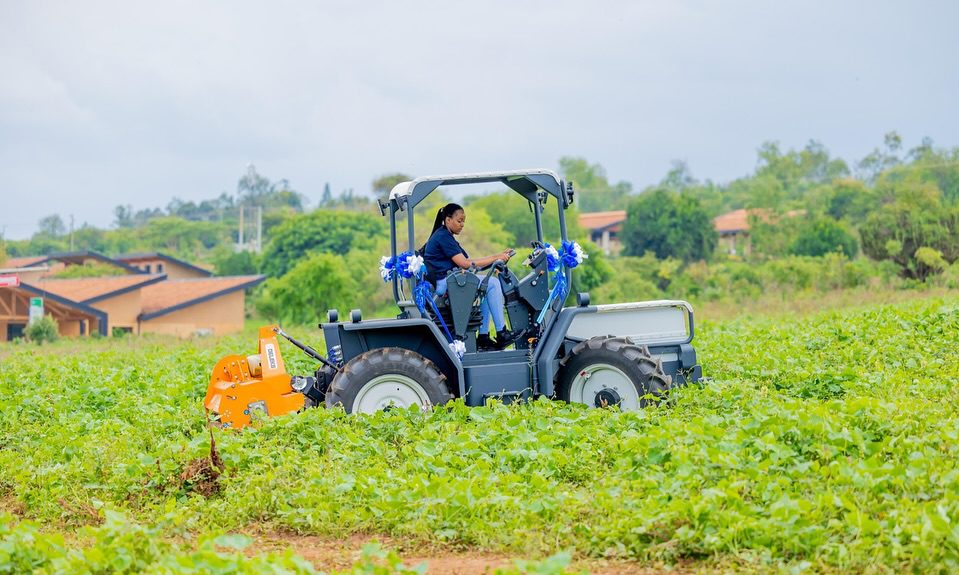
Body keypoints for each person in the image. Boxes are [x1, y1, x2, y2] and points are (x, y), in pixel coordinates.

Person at [422, 202, 522, 350]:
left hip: (449, 280)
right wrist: (496, 258)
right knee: (493, 283)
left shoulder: (446, 236)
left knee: (486, 285)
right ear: (448, 220)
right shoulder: (443, 237)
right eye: (459, 220)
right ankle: (502, 333)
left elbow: (471, 264)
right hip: (444, 284)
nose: (462, 224)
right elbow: (465, 263)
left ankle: (483, 337)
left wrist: (498, 257)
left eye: (464, 221)